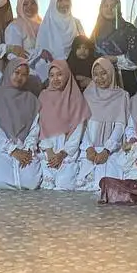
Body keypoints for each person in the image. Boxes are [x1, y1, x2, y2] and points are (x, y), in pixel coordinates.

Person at [0, 58, 43, 190]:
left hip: (25, 146)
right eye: (16, 72)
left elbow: (34, 128)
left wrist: (28, 149)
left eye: (24, 75)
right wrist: (12, 150)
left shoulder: (31, 99)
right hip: (3, 148)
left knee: (31, 182)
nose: (19, 77)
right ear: (9, 72)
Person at [77, 58, 129, 191]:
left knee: (110, 184)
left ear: (111, 73)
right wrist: (88, 148)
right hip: (90, 148)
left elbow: (120, 126)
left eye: (104, 73)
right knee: (82, 183)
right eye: (95, 74)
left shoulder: (122, 96)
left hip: (112, 149)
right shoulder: (87, 94)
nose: (99, 78)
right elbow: (83, 126)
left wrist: (107, 150)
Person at [38, 59, 88, 191]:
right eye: (52, 75)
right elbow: (41, 126)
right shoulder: (44, 96)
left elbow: (78, 130)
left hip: (67, 152)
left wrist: (62, 154)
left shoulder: (76, 99)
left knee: (65, 185)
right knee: (47, 185)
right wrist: (49, 151)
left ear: (67, 75)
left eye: (59, 74)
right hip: (48, 150)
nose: (55, 79)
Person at [92, 0, 137, 95]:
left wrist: (115, 59)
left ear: (118, 8)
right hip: (101, 81)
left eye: (113, 6)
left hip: (125, 80)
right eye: (106, 6)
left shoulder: (129, 29)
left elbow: (136, 60)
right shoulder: (96, 32)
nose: (109, 9)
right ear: (101, 8)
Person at [35, 0, 84, 80]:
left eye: (67, 0)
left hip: (75, 72)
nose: (64, 3)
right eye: (60, 0)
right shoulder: (46, 24)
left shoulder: (76, 23)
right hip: (52, 73)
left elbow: (83, 44)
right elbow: (39, 51)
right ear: (53, 2)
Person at [6, 0, 42, 75]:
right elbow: (14, 55)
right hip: (25, 72)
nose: (30, 7)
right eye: (25, 4)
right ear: (20, 7)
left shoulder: (42, 25)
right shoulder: (15, 26)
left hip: (45, 72)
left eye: (33, 3)